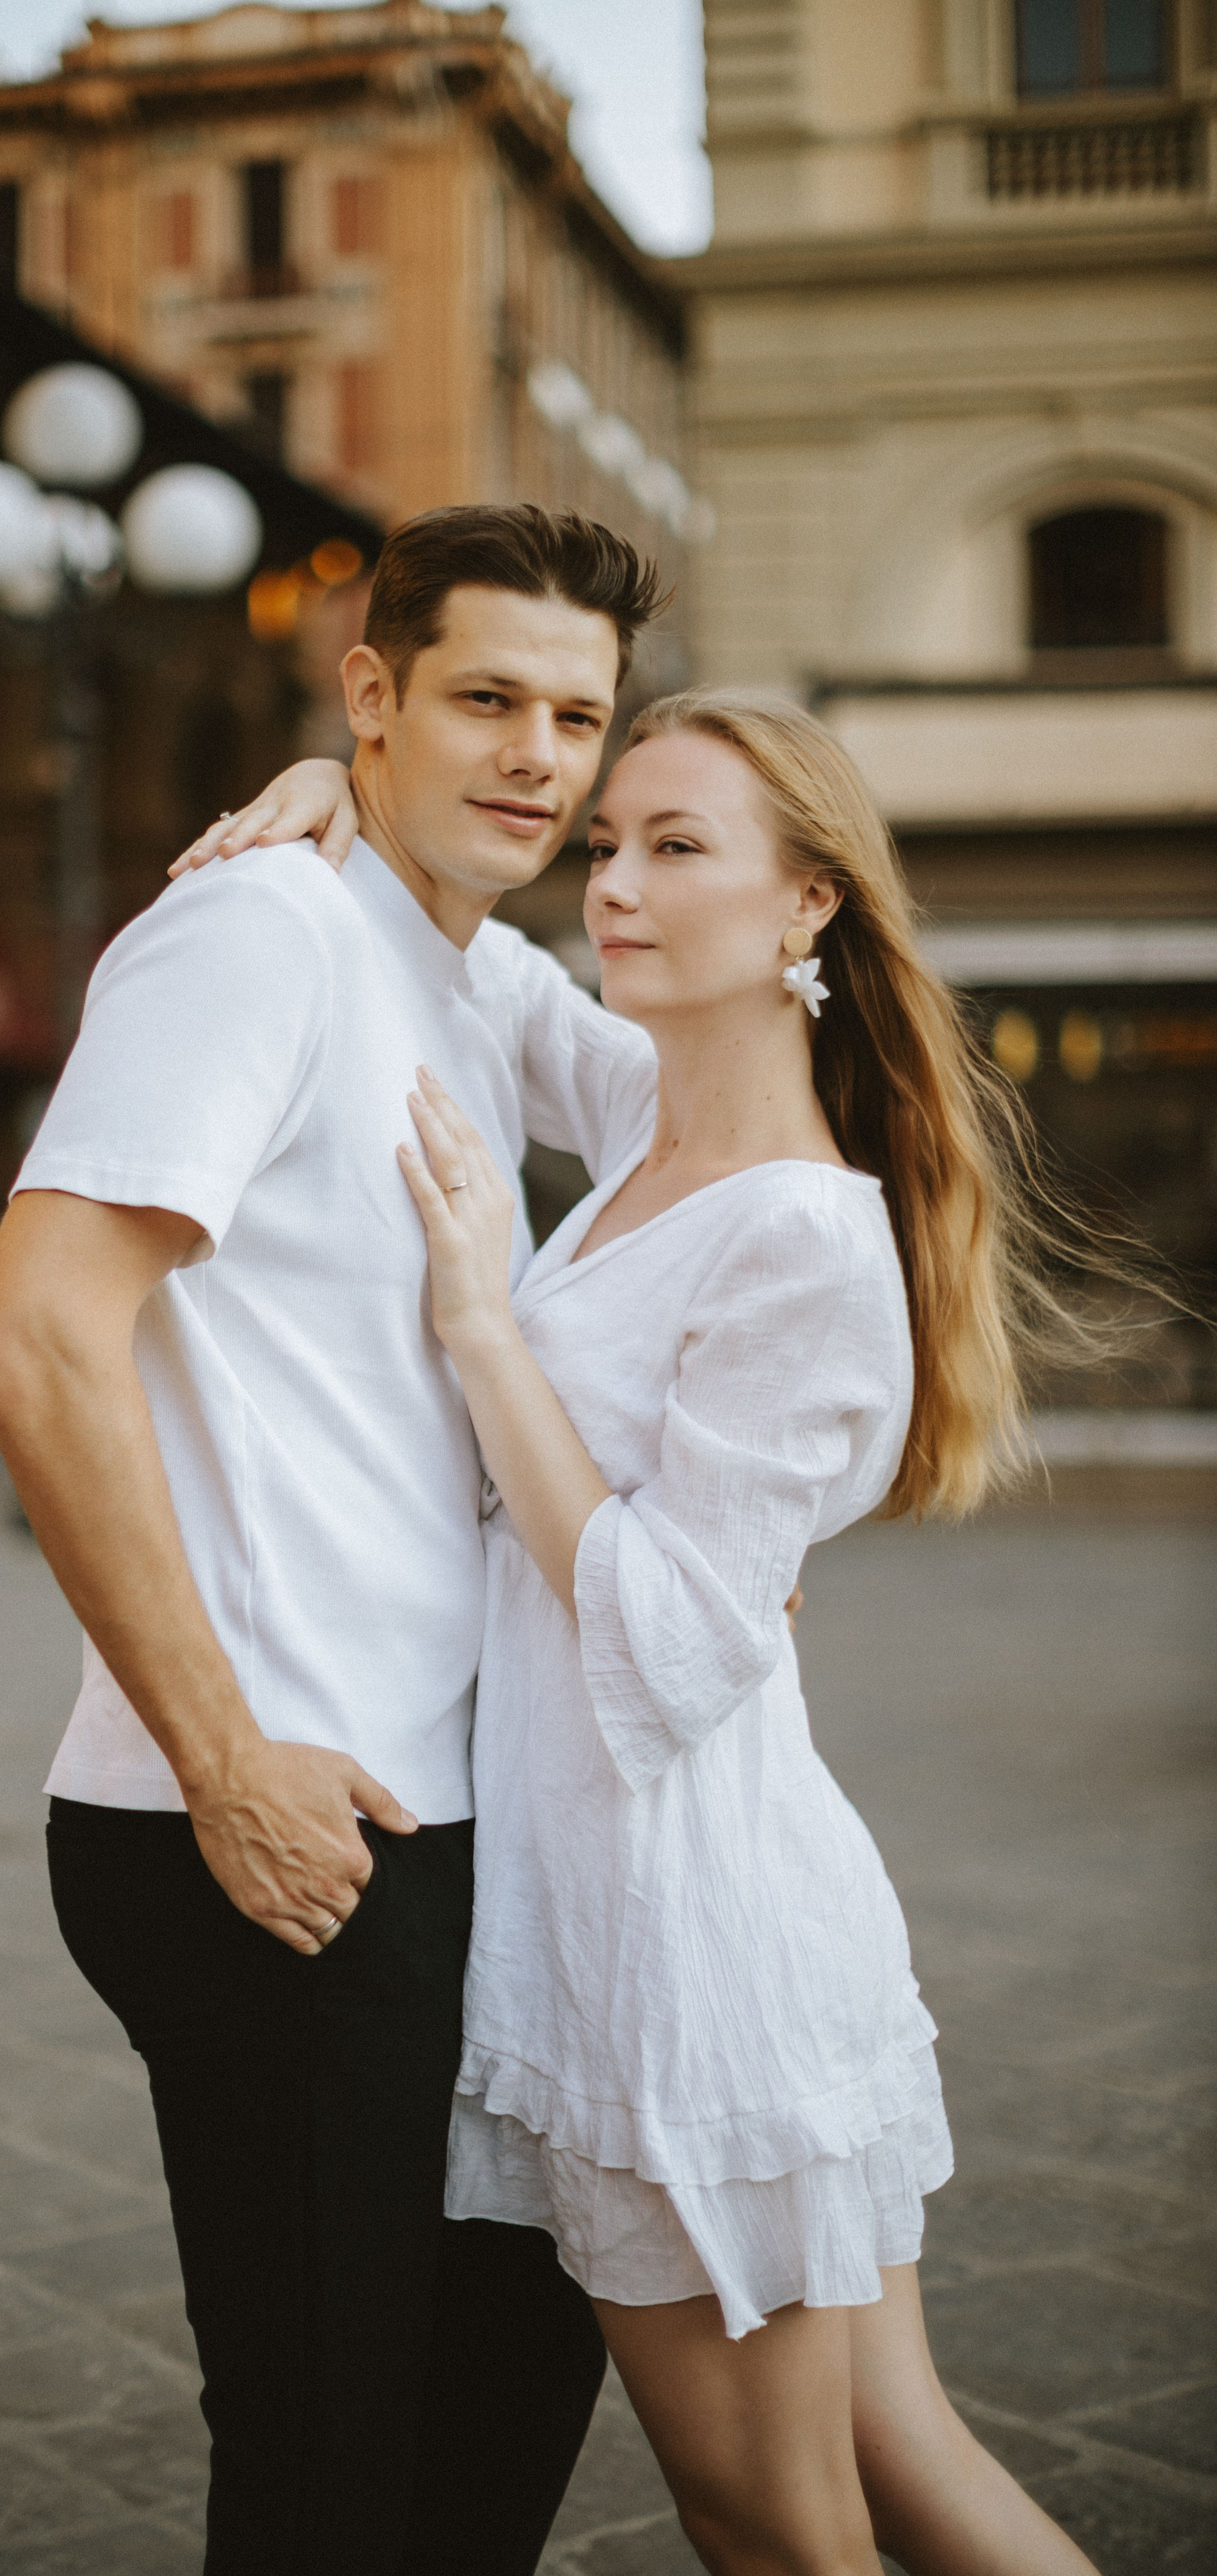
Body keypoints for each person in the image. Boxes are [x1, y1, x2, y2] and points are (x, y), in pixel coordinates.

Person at [209, 696, 1104, 2574]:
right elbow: (493, 982)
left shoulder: (803, 1240)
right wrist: (339, 796)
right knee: (897, 2460)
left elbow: (677, 1649)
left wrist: (479, 1329)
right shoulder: (647, 1131)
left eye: (677, 848)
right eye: (607, 842)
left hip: (691, 1943)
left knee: (770, 2520)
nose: (609, 883)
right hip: (633, 1902)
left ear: (809, 916)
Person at [0, 504, 672, 2576]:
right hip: (275, 1825)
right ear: (369, 692)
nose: (536, 756)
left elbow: (737, 1105)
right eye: (480, 701)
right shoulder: (256, 937)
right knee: (330, 2473)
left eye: (574, 717)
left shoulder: (470, 973)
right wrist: (221, 1760)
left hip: (453, 1826)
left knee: (492, 2427)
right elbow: (32, 1336)